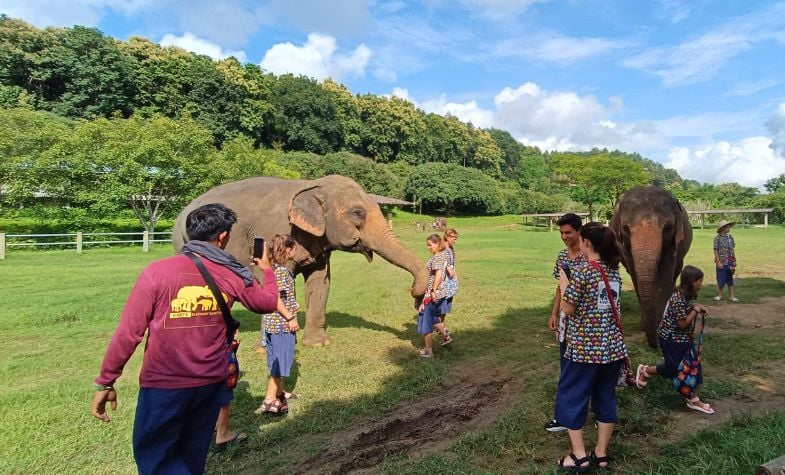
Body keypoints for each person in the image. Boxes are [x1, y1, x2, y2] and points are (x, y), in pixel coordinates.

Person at [91, 203, 279, 475]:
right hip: (210, 382)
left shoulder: (157, 272)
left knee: (156, 459)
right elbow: (267, 302)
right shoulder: (232, 273)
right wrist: (268, 270)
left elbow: (129, 332)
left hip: (164, 385)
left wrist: (106, 380)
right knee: (192, 456)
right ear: (223, 236)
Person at [555, 222, 627, 471]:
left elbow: (568, 308)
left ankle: (579, 455)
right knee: (605, 397)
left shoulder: (584, 271)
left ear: (586, 243)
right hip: (612, 349)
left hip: (583, 350)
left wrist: (565, 283)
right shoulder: (614, 273)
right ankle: (601, 453)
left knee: (572, 397)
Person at [636, 265, 714, 414]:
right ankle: (645, 370)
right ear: (692, 282)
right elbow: (682, 324)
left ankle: (694, 399)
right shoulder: (678, 298)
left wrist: (695, 306)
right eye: (700, 281)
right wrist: (695, 310)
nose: (701, 284)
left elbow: (685, 311)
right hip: (670, 339)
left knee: (693, 366)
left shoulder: (684, 296)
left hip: (683, 340)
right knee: (673, 369)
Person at [545, 213, 585, 434]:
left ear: (579, 231)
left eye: (568, 232)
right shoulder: (562, 256)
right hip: (565, 320)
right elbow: (560, 287)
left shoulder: (589, 256)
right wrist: (554, 312)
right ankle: (564, 416)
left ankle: (596, 412)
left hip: (586, 322)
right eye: (561, 233)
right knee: (566, 366)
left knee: (586, 369)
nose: (564, 237)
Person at [255, 234, 301, 414]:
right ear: (288, 250)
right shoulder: (281, 272)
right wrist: (291, 317)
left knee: (276, 357)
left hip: (272, 323)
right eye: (294, 249)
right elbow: (277, 300)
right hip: (281, 323)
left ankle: (280, 392)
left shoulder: (273, 269)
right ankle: (269, 400)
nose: (295, 252)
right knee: (280, 361)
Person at [417, 234, 453, 357]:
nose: (428, 247)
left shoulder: (437, 257)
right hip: (441, 292)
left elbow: (438, 275)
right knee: (432, 316)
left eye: (430, 245)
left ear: (437, 244)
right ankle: (446, 335)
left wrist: (433, 290)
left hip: (434, 293)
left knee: (425, 318)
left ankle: (428, 350)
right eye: (427, 245)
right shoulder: (444, 254)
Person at [437, 228, 460, 327]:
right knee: (441, 305)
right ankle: (440, 327)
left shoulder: (451, 248)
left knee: (446, 307)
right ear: (447, 237)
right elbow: (440, 260)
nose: (455, 240)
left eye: (455, 238)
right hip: (444, 281)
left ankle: (441, 326)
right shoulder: (443, 249)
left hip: (450, 282)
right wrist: (447, 267)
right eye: (453, 238)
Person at [713, 220, 738, 302]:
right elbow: (715, 250)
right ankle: (720, 295)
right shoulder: (717, 238)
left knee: (730, 279)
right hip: (721, 262)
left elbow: (732, 249)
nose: (729, 228)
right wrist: (718, 262)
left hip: (730, 262)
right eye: (728, 226)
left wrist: (733, 261)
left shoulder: (730, 237)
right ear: (723, 228)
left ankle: (731, 296)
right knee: (721, 279)